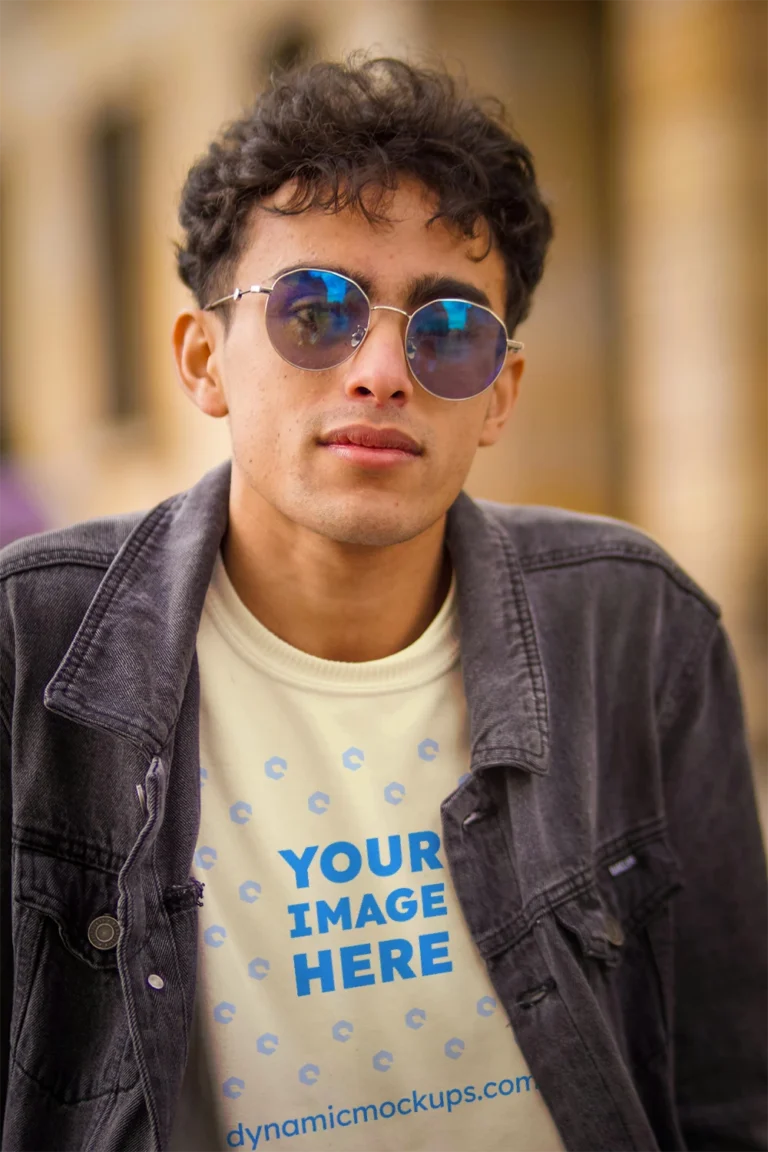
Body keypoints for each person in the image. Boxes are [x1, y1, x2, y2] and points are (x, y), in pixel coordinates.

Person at [0, 56, 766, 1152]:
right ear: (204, 359)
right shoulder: (29, 646)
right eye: (316, 311)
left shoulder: (635, 627)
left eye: (450, 330)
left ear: (499, 393)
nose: (382, 369)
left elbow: (728, 1093)